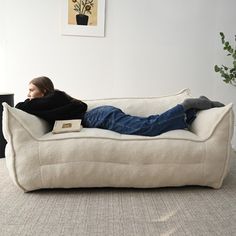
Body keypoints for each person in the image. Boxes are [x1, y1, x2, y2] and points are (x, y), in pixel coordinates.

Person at [16, 76, 224, 136]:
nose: (29, 95)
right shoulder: (53, 100)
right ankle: (190, 113)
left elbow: (21, 107)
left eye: (32, 90)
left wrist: (28, 101)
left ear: (43, 91)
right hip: (100, 115)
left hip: (98, 118)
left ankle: (185, 105)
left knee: (148, 129)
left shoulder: (49, 100)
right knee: (149, 124)